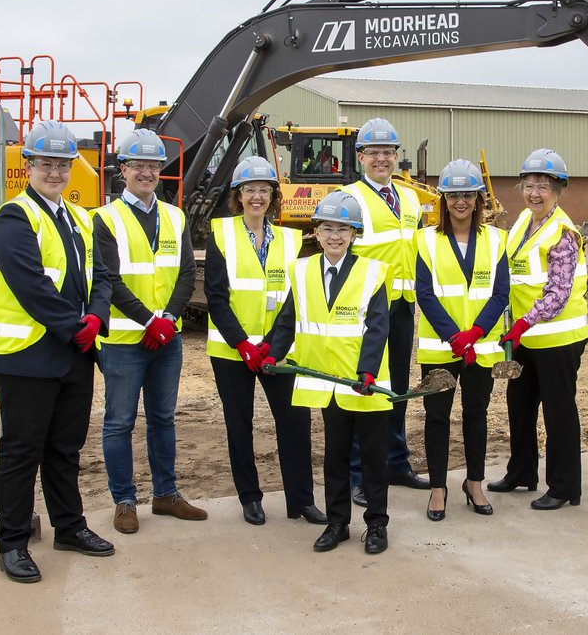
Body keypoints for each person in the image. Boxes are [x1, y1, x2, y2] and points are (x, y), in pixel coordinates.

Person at [0, 120, 114, 583]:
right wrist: (73, 328)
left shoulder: (81, 218)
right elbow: (30, 286)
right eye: (46, 164)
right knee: (21, 451)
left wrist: (96, 319)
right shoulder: (14, 218)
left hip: (75, 353)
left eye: (63, 165)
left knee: (65, 449)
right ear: (30, 166)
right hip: (28, 356)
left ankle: (69, 527)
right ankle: (13, 543)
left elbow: (102, 276)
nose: (56, 172)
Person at [266, 191, 394, 554]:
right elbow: (288, 318)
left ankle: (377, 525)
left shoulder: (372, 272)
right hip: (327, 383)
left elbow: (378, 325)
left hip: (364, 385)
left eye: (343, 229)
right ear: (316, 233)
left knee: (372, 457)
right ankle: (338, 523)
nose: (334, 235)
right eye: (327, 228)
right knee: (335, 456)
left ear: (355, 234)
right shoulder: (302, 269)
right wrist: (273, 354)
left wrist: (367, 372)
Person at [92, 129, 205, 535]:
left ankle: (165, 494)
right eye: (138, 165)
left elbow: (187, 273)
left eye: (154, 166)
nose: (146, 172)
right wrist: (149, 321)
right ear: (123, 170)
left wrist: (169, 319)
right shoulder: (105, 219)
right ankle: (124, 501)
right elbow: (109, 279)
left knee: (163, 419)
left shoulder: (175, 216)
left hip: (166, 340)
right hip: (125, 341)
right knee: (119, 423)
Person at [204, 156, 325, 526]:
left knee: (295, 422)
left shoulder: (290, 240)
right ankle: (250, 498)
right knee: (239, 425)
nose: (256, 196)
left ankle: (300, 500)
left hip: (278, 350)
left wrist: (274, 345)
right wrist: (242, 344)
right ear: (237, 195)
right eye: (249, 190)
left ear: (274, 195)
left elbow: (293, 299)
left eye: (263, 190)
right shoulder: (221, 234)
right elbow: (216, 296)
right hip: (231, 351)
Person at [493, 150, 588, 511]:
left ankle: (565, 486)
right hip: (526, 337)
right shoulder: (522, 221)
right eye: (530, 185)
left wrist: (521, 323)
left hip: (558, 338)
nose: (535, 193)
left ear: (558, 190)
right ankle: (521, 471)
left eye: (544, 187)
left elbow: (558, 292)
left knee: (558, 411)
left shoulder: (564, 233)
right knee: (519, 404)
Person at [414, 160, 509, 521]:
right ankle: (438, 488)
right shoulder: (425, 239)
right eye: (453, 195)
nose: (461, 201)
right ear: (443, 199)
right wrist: (454, 336)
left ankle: (474, 483)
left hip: (480, 347)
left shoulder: (496, 239)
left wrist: (475, 333)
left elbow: (500, 294)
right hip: (441, 347)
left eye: (467, 194)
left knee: (476, 415)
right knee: (437, 417)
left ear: (478, 198)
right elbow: (425, 293)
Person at [341, 117, 429, 506]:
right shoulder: (350, 199)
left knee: (396, 389)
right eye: (373, 151)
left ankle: (396, 462)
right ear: (361, 156)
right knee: (364, 388)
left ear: (397, 156)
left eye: (388, 151)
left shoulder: (410, 198)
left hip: (402, 308)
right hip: (366, 312)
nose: (382, 158)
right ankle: (358, 473)